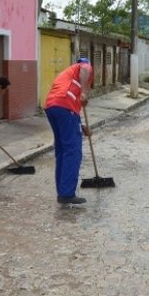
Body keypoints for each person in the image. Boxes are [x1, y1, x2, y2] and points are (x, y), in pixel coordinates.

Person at [44, 58, 94, 205]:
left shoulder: (67, 76)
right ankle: (67, 193)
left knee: (62, 150)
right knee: (73, 151)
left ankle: (63, 192)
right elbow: (85, 70)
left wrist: (81, 126)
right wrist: (85, 92)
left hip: (52, 107)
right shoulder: (84, 66)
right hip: (65, 106)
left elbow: (71, 111)